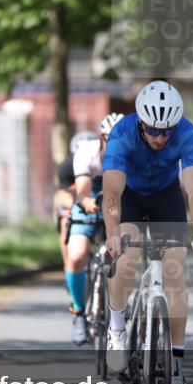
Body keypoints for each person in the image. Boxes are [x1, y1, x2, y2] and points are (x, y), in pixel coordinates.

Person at [102, 80, 193, 384]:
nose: (161, 137)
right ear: (141, 122)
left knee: (175, 268)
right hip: (131, 198)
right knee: (125, 258)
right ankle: (118, 328)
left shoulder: (187, 133)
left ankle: (176, 370)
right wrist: (113, 232)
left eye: (167, 131)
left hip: (166, 197)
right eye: (154, 130)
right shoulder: (122, 134)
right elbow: (112, 194)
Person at [64, 114, 124, 345]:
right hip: (90, 199)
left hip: (117, 203)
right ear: (102, 139)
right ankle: (79, 313)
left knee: (121, 256)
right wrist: (87, 203)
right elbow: (82, 189)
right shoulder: (87, 152)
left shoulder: (130, 154)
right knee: (77, 255)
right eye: (112, 139)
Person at [56, 131, 99, 337]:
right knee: (66, 221)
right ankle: (69, 267)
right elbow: (62, 195)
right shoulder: (66, 166)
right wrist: (75, 204)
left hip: (100, 205)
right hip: (75, 206)